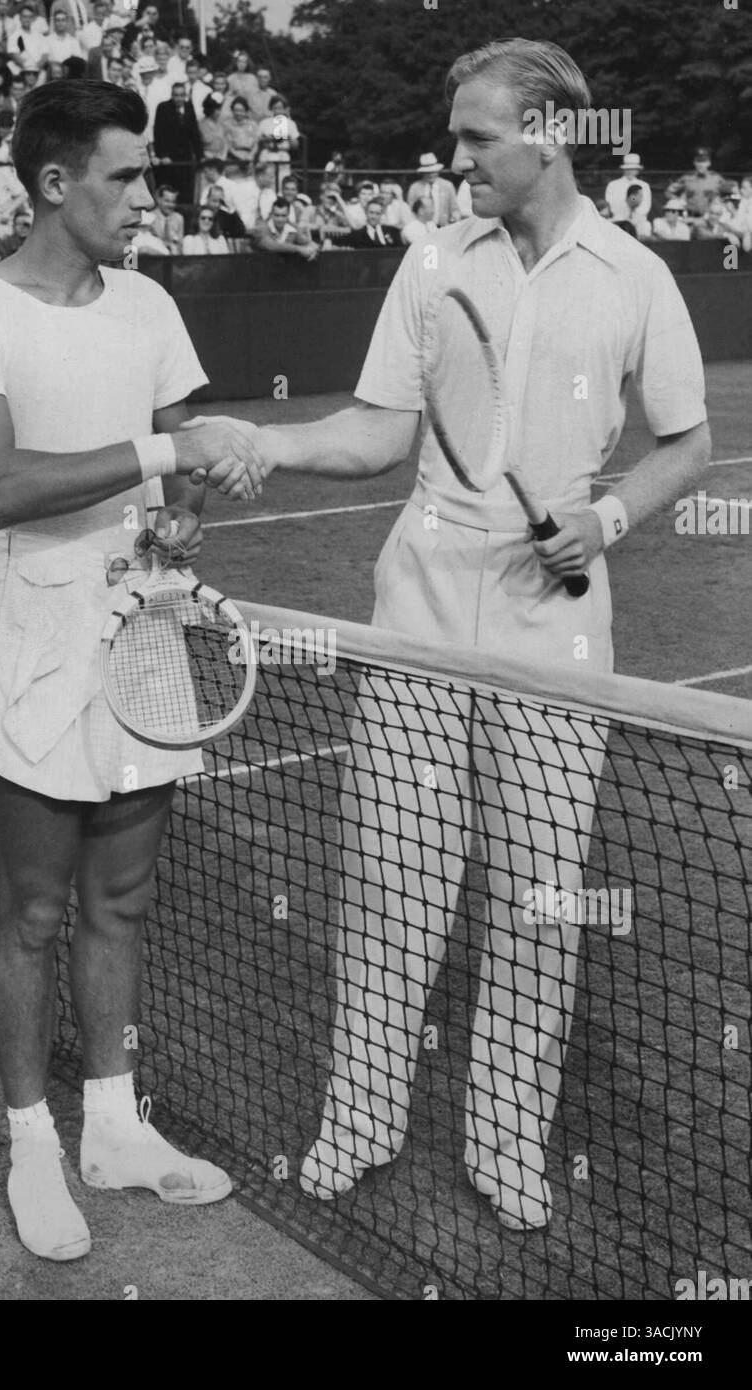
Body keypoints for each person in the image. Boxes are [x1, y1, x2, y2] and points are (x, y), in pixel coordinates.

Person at [215, 38, 710, 1232]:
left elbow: (685, 443)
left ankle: (506, 1139)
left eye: (478, 136)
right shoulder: (430, 261)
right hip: (422, 608)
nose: (457, 156)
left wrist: (603, 519)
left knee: (540, 897)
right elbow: (379, 431)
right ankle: (361, 1116)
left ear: (548, 131)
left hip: (559, 629)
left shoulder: (637, 274)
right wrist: (269, 442)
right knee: (392, 879)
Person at [0, 78, 267, 1265]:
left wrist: (185, 510)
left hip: (146, 633)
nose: (146, 198)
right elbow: (0, 488)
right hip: (36, 635)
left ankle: (111, 1125)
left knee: (121, 898)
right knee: (35, 906)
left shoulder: (152, 304)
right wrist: (166, 453)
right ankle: (32, 1146)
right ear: (57, 184)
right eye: (127, 176)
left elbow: (178, 479)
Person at [151, 80, 201, 204]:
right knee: (168, 191)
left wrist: (200, 156)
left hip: (185, 158)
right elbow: (159, 133)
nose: (179, 98)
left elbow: (194, 133)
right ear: (172, 95)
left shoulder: (189, 107)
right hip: (168, 160)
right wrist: (163, 155)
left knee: (185, 194)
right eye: (176, 95)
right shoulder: (163, 107)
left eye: (181, 95)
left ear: (185, 95)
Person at [251, 195, 318, 259]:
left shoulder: (292, 229)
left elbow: (310, 243)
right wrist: (299, 249)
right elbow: (272, 246)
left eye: (283, 216)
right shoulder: (261, 228)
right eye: (277, 215)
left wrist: (312, 249)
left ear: (288, 215)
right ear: (271, 214)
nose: (280, 219)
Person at [407, 151, 459, 226]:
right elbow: (410, 210)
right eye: (427, 172)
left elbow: (455, 209)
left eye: (433, 171)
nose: (431, 175)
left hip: (443, 226)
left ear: (438, 171)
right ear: (422, 173)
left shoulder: (447, 186)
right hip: (422, 228)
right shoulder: (415, 187)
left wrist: (454, 219)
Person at [604, 152, 651, 221]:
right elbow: (610, 203)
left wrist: (634, 213)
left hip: (638, 219)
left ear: (638, 170)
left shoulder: (644, 185)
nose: (630, 171)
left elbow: (646, 205)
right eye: (627, 169)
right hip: (618, 218)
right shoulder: (613, 185)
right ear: (623, 169)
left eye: (633, 169)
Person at [681, 147, 721, 217]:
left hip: (709, 217)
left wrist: (718, 203)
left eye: (704, 161)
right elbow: (669, 192)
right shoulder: (686, 178)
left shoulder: (716, 178)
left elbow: (731, 191)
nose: (701, 165)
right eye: (698, 161)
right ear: (694, 162)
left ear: (709, 163)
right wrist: (680, 202)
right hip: (689, 216)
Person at [148, 181, 183, 254]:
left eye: (173, 202)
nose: (170, 205)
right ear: (159, 200)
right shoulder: (150, 217)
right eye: (167, 201)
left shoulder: (179, 218)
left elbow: (180, 244)